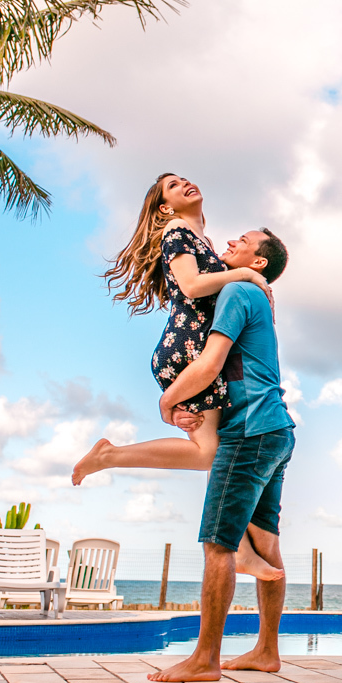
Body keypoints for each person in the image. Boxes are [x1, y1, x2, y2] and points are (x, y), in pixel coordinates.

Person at [73, 173, 280, 581]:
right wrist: (247, 275)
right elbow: (190, 285)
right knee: (210, 455)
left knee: (212, 454)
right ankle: (109, 455)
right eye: (172, 185)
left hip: (189, 351)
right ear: (165, 207)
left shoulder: (200, 240)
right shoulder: (176, 230)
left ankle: (238, 549)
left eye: (183, 178)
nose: (184, 183)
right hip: (187, 351)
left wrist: (244, 272)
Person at [148, 228, 294, 683]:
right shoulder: (257, 299)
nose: (231, 241)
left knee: (219, 544)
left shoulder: (236, 289)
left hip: (249, 431)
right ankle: (266, 651)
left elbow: (211, 363)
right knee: (265, 545)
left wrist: (167, 401)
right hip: (276, 430)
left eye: (244, 240)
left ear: (259, 262)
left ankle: (204, 658)